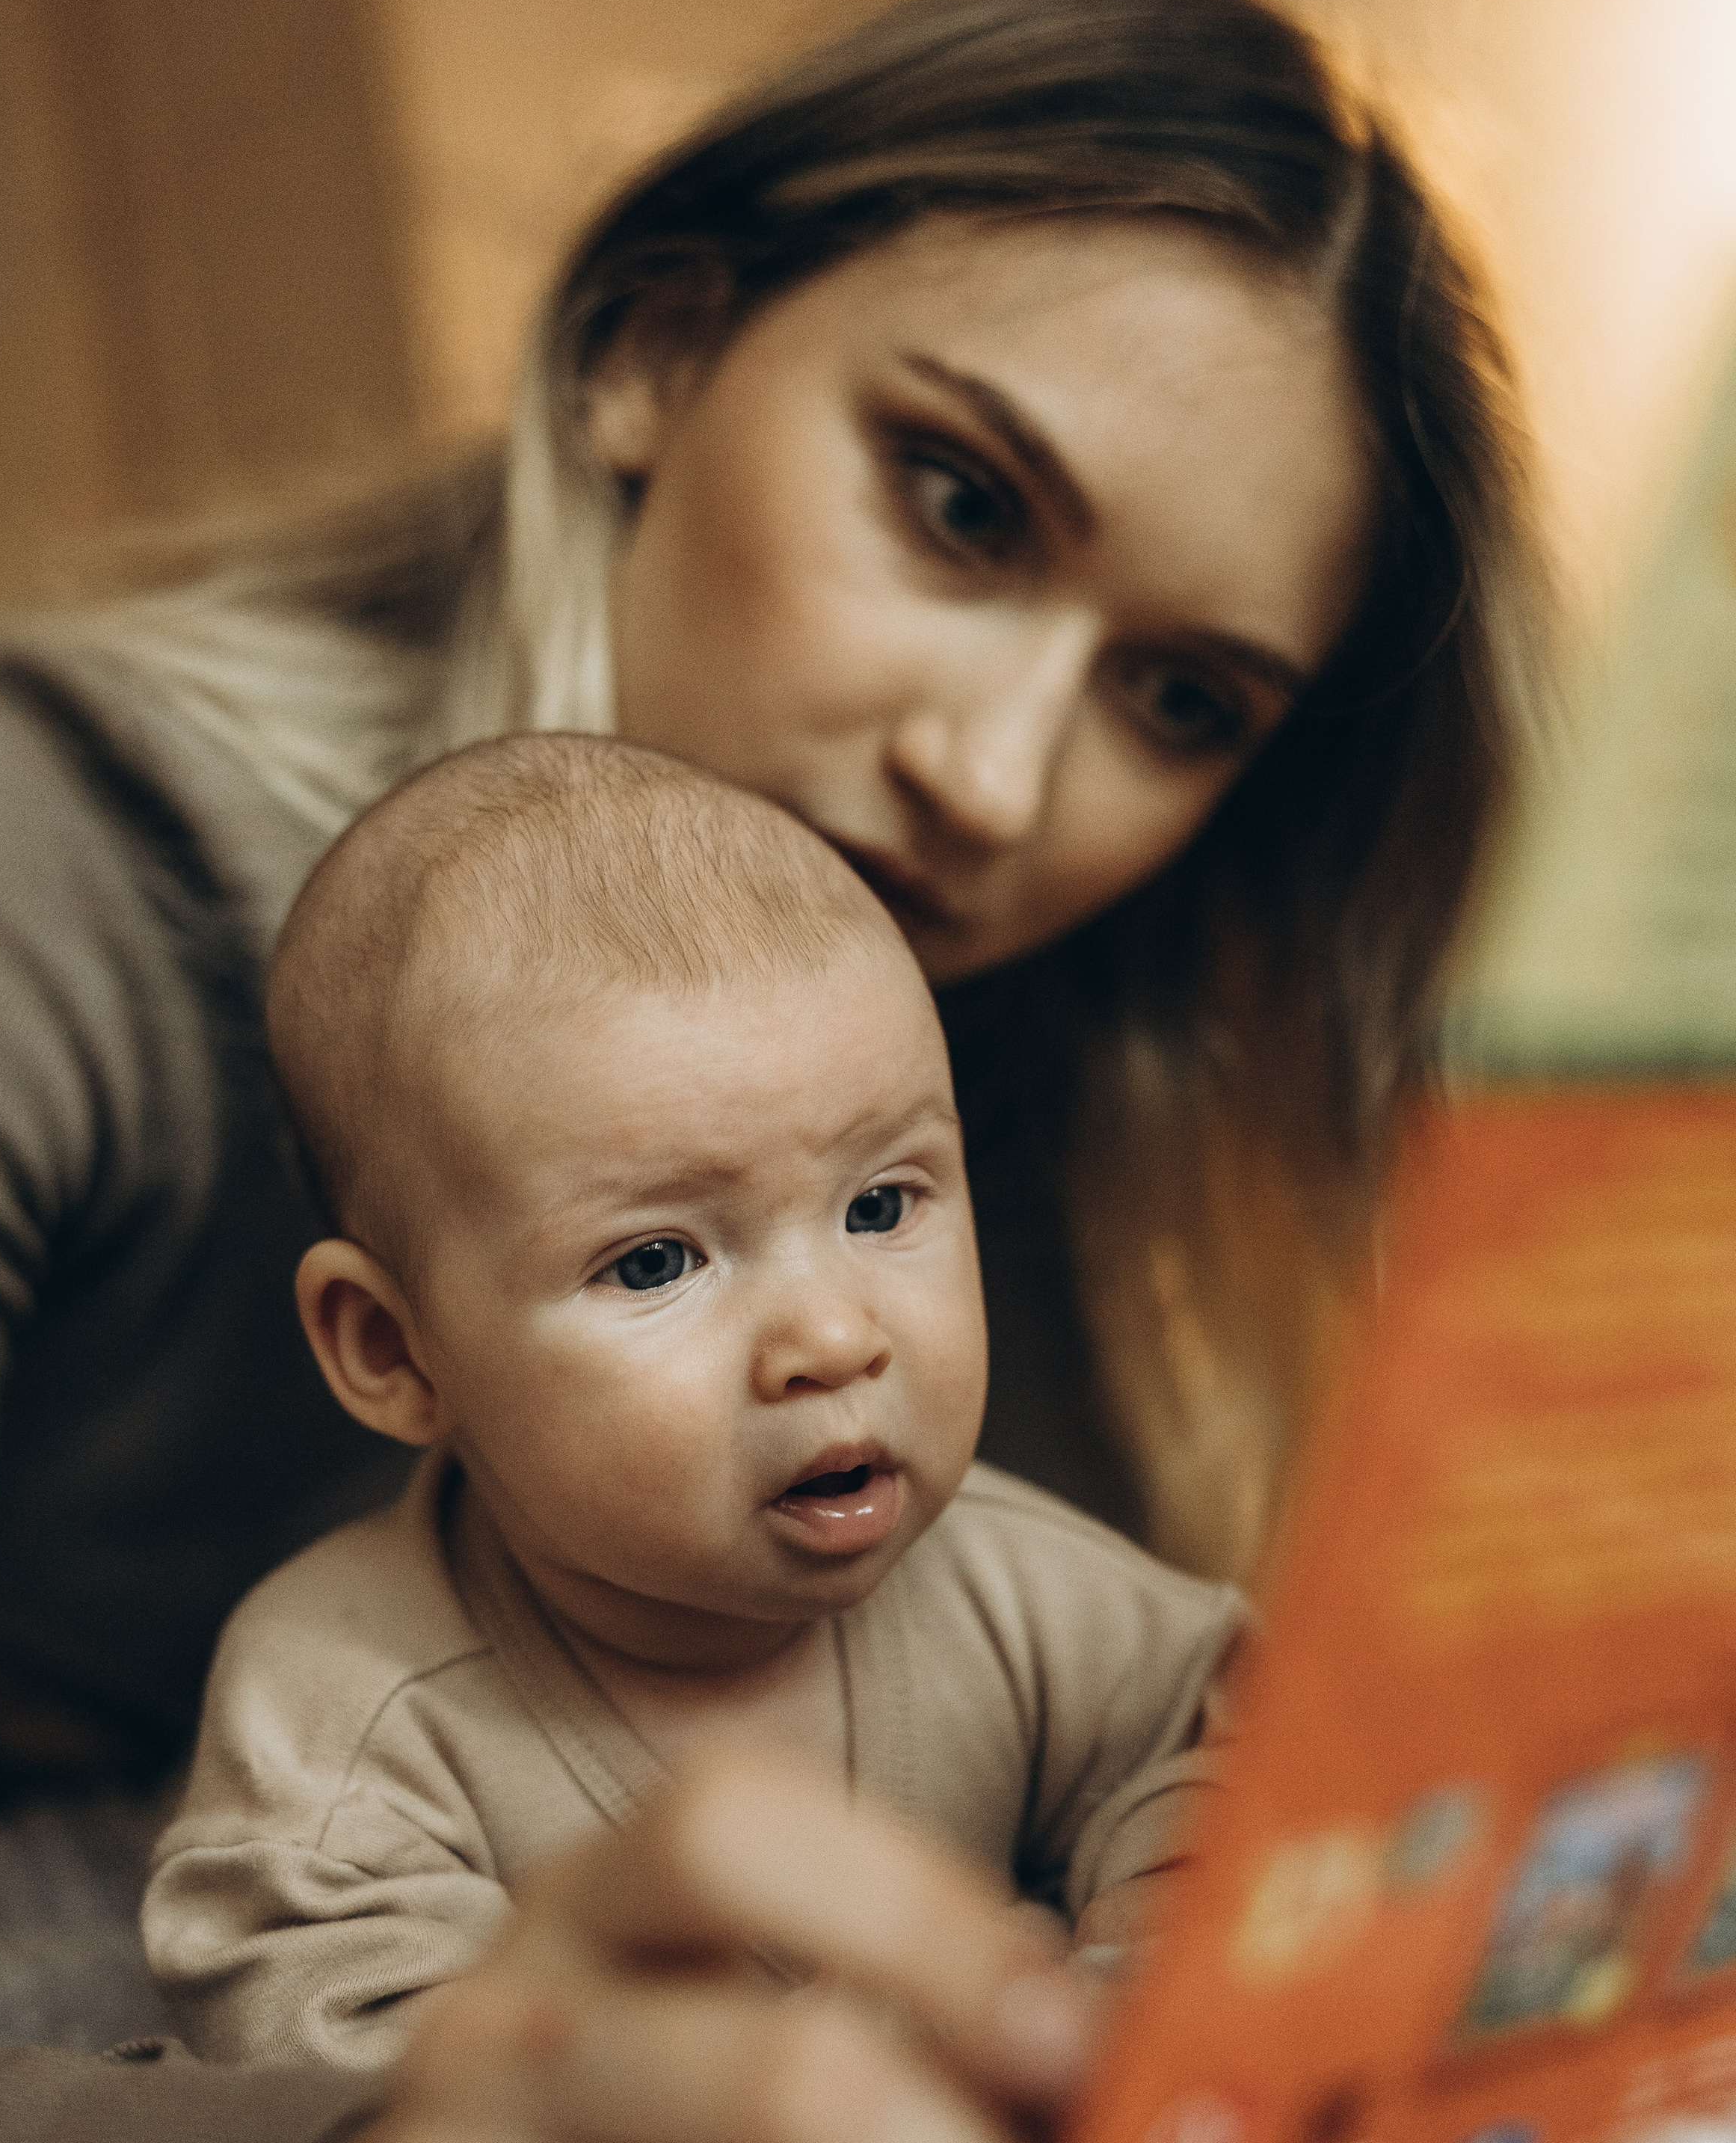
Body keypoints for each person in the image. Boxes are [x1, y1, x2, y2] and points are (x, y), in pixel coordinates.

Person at [0, 0, 1548, 2143]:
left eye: (1180, 701)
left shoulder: (994, 1056)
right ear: (650, 350)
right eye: (959, 504)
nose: (992, 778)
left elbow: (1089, 1755)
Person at [141, 735, 1242, 2070]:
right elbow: (316, 2053)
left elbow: (1226, 1736)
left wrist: (1145, 1951)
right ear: (396, 1350)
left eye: (881, 1205)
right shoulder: (348, 1702)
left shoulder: (1019, 1588)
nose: (832, 1338)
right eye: (657, 1262)